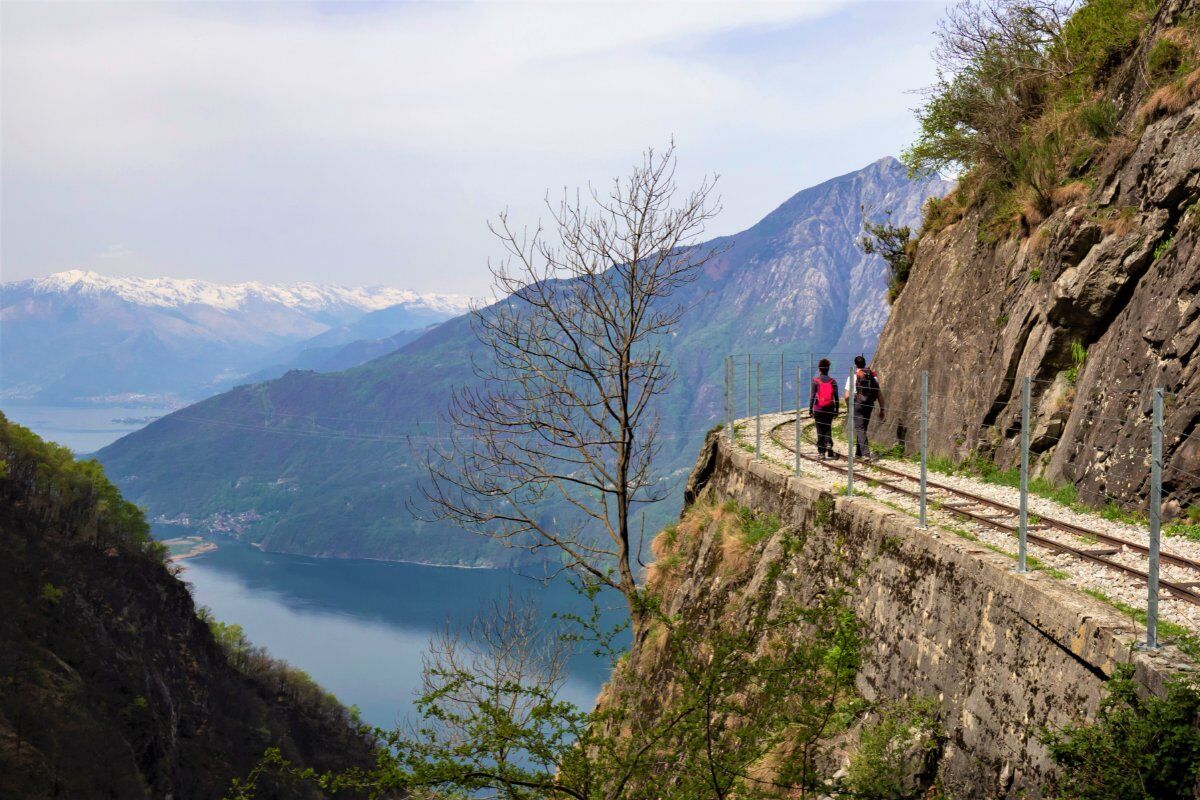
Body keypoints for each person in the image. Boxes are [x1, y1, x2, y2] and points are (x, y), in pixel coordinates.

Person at [846, 354, 885, 462]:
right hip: (869, 404)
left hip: (857, 404)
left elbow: (847, 396)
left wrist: (848, 407)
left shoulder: (853, 376)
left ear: (855, 365)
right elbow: (879, 394)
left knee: (860, 428)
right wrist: (882, 409)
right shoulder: (873, 376)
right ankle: (858, 453)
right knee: (863, 428)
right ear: (865, 363)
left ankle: (866, 453)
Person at [809, 358, 839, 460]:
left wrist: (810, 410)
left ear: (819, 369)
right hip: (829, 409)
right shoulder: (833, 381)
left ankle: (821, 453)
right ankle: (829, 444)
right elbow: (836, 397)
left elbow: (812, 396)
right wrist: (836, 410)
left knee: (820, 430)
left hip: (818, 409)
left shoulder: (815, 381)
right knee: (828, 427)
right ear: (828, 368)